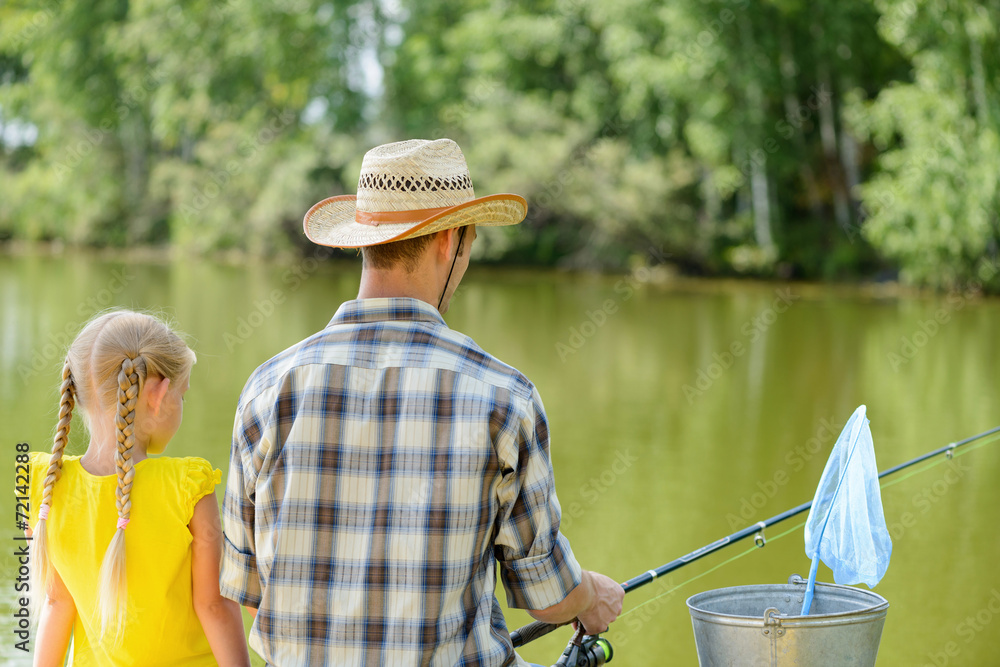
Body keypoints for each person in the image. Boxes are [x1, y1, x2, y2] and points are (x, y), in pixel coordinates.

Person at [221, 139, 624, 666]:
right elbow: (548, 597)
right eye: (471, 238)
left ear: (365, 241)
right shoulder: (503, 397)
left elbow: (245, 583)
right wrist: (591, 596)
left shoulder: (267, 389)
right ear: (450, 241)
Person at [26, 310, 251, 667]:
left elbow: (56, 604)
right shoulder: (188, 487)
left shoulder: (48, 486)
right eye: (183, 394)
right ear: (159, 395)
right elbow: (213, 604)